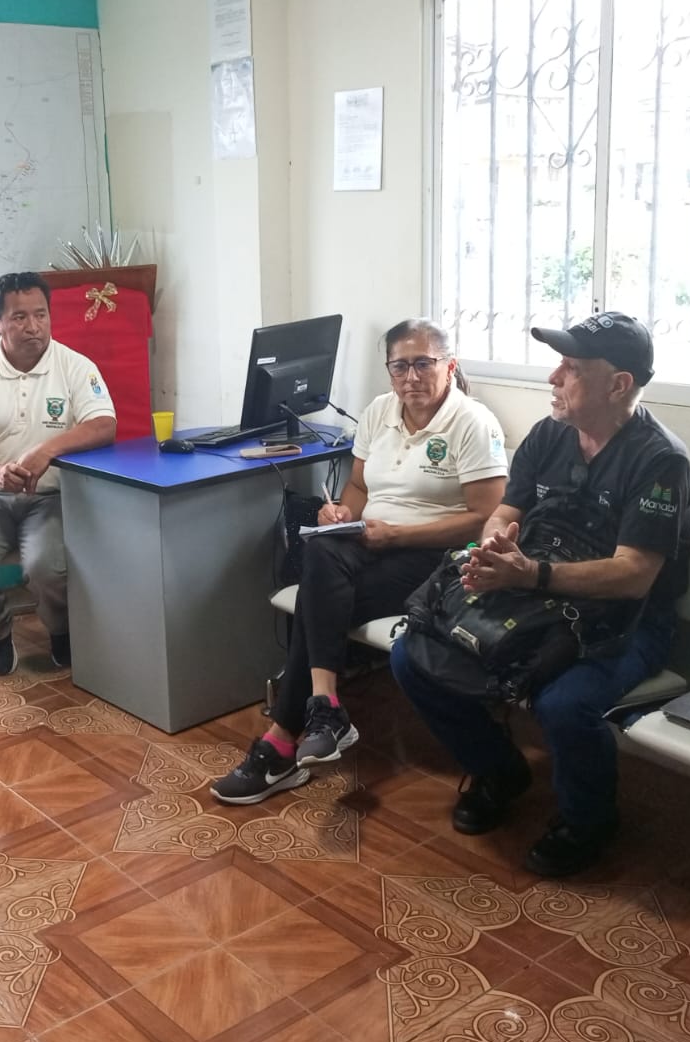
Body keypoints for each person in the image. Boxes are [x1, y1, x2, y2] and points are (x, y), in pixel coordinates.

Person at [390, 312, 690, 877]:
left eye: (571, 368)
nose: (554, 378)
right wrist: (493, 550)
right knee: (412, 655)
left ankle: (588, 822)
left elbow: (633, 575)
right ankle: (499, 771)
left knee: (563, 704)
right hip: (535, 599)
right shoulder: (549, 434)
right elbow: (505, 511)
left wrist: (530, 575)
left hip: (628, 621)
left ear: (618, 384)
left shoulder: (660, 461)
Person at [211, 318, 509, 805]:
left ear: (449, 365)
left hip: (435, 560)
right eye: (399, 366)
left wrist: (399, 535)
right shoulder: (378, 412)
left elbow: (484, 519)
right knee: (321, 547)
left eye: (423, 364)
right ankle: (324, 708)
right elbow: (358, 487)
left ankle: (283, 741)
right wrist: (342, 513)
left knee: (315, 601)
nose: (410, 377)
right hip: (370, 544)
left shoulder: (472, 422)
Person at [0, 272, 117, 676]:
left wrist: (47, 450)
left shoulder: (75, 367)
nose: (33, 326)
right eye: (19, 317)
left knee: (46, 567)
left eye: (41, 314)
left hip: (52, 496)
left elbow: (104, 424)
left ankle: (61, 629)